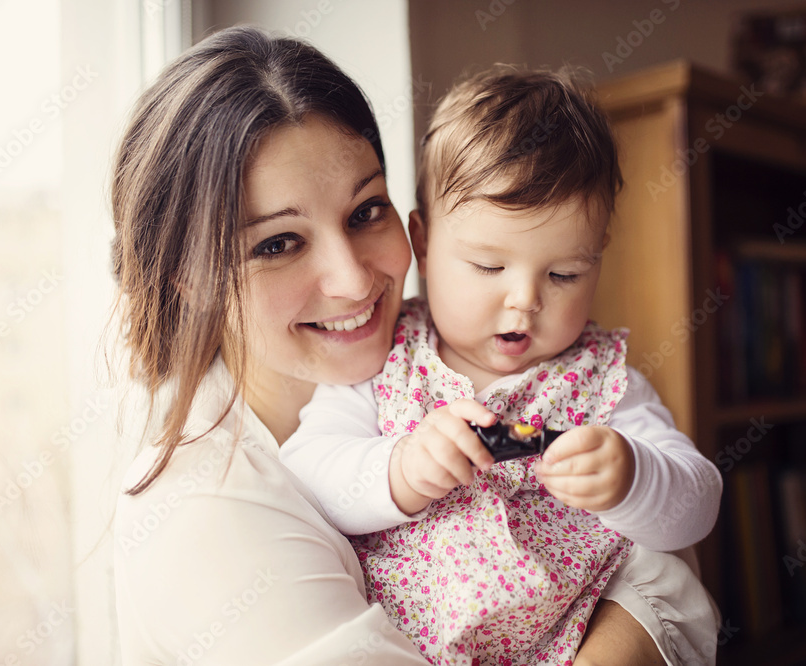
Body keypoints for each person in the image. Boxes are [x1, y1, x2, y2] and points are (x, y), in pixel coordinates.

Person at [281, 67, 723, 665]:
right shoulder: (387, 357)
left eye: (565, 274)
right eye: (490, 267)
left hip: (568, 644)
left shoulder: (602, 380)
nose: (526, 299)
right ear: (425, 242)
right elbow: (308, 470)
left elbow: (697, 505)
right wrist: (402, 468)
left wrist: (634, 478)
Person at [110, 26, 431, 664]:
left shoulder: (447, 364)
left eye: (366, 211)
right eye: (278, 244)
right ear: (189, 279)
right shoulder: (204, 515)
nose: (355, 279)